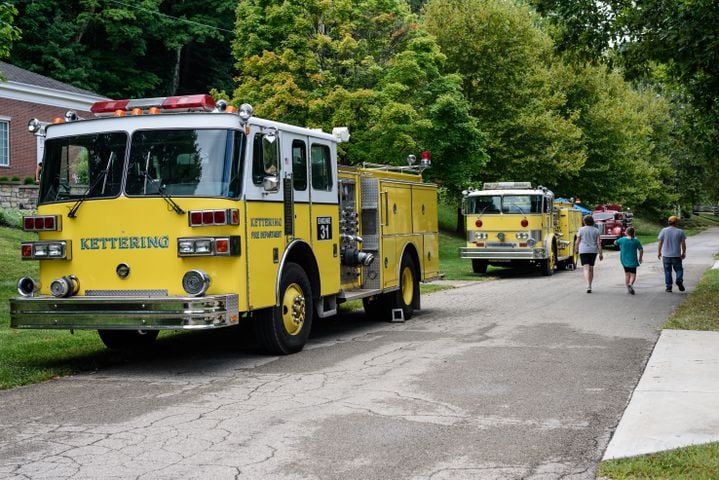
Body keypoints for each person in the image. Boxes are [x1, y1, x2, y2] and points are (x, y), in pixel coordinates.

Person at [657, 215, 687, 292]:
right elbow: (683, 243)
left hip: (666, 255)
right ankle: (679, 280)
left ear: (669, 222)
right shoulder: (680, 231)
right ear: (676, 222)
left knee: (667, 271)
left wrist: (659, 252)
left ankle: (669, 287)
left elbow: (660, 242)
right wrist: (683, 252)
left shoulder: (664, 230)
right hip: (676, 255)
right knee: (679, 269)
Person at [575, 214, 603, 293]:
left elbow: (577, 241)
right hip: (593, 251)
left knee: (586, 268)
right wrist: (601, 253)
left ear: (584, 221)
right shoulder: (596, 230)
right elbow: (598, 243)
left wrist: (576, 248)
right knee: (591, 268)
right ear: (592, 221)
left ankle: (588, 285)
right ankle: (590, 285)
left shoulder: (581, 229)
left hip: (583, 250)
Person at [614, 227, 643, 294]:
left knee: (627, 274)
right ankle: (630, 284)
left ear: (626, 232)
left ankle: (628, 288)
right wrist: (640, 258)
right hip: (633, 260)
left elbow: (615, 243)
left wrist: (617, 241)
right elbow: (641, 249)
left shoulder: (622, 240)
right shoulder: (636, 241)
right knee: (633, 274)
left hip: (624, 260)